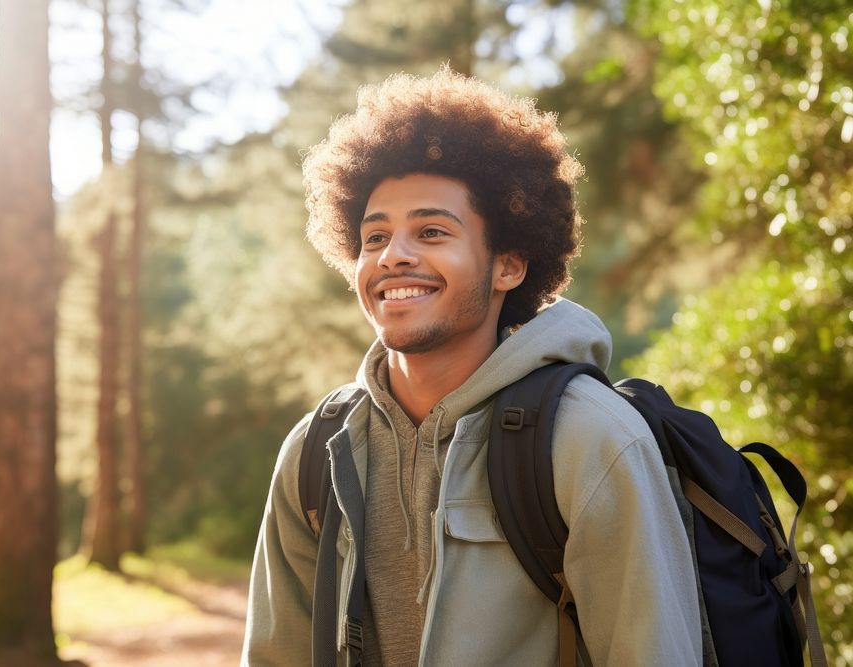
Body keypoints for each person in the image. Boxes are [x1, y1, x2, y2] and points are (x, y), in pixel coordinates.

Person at [242, 67, 702, 666]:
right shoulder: (315, 451)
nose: (393, 256)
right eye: (374, 237)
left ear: (508, 267)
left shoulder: (590, 439)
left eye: (431, 231)